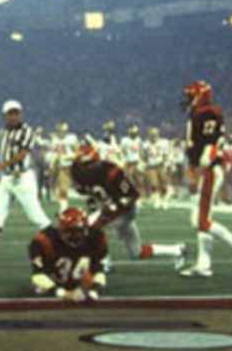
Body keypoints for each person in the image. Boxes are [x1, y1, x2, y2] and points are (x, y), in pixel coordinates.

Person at [178, 80, 232, 278]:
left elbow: (201, 146)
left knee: (201, 220)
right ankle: (204, 264)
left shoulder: (200, 115)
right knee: (199, 219)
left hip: (209, 169)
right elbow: (211, 141)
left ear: (199, 96)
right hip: (210, 167)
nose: (187, 100)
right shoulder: (213, 113)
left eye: (190, 96)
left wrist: (197, 170)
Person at [70, 141, 185, 269]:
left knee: (90, 227)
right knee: (137, 252)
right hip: (110, 207)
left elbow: (131, 197)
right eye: (82, 165)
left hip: (125, 210)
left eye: (87, 165)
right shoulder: (77, 172)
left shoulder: (111, 171)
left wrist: (109, 212)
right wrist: (98, 209)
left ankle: (103, 261)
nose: (84, 169)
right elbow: (91, 196)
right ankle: (176, 250)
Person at [0, 100, 50, 263]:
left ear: (20, 114)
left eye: (16, 113)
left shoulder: (27, 131)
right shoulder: (3, 132)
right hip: (6, 178)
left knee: (36, 216)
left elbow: (23, 153)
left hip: (22, 178)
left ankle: (59, 247)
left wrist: (1, 165)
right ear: (5, 115)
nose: (13, 116)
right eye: (10, 113)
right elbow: (4, 152)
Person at [28, 207, 107, 303]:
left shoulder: (95, 238)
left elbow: (99, 270)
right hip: (54, 282)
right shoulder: (45, 240)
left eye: (79, 231)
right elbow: (37, 275)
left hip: (82, 283)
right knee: (41, 288)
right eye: (70, 232)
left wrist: (93, 290)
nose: (75, 235)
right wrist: (62, 293)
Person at [52, 122, 79, 213]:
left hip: (74, 166)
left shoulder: (71, 138)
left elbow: (78, 152)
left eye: (64, 130)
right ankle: (63, 209)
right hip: (63, 167)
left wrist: (69, 157)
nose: (62, 132)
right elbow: (56, 155)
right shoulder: (55, 140)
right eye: (60, 130)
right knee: (62, 189)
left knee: (84, 188)